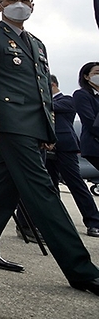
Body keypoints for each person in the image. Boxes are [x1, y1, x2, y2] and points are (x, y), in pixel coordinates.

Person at [0, 0, 99, 295]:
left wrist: (48, 131)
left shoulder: (37, 44)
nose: (19, 4)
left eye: (25, 0)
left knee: (6, 184)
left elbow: (43, 94)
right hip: (8, 124)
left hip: (34, 127)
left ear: (33, 6)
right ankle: (81, 269)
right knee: (43, 192)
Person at [47, 75, 99, 237]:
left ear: (53, 84)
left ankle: (94, 221)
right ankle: (55, 221)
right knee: (50, 185)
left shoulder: (67, 100)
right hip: (46, 146)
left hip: (65, 146)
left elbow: (49, 107)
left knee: (75, 183)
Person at [73, 62, 99, 174]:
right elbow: (89, 120)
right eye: (97, 73)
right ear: (86, 76)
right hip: (94, 145)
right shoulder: (82, 94)